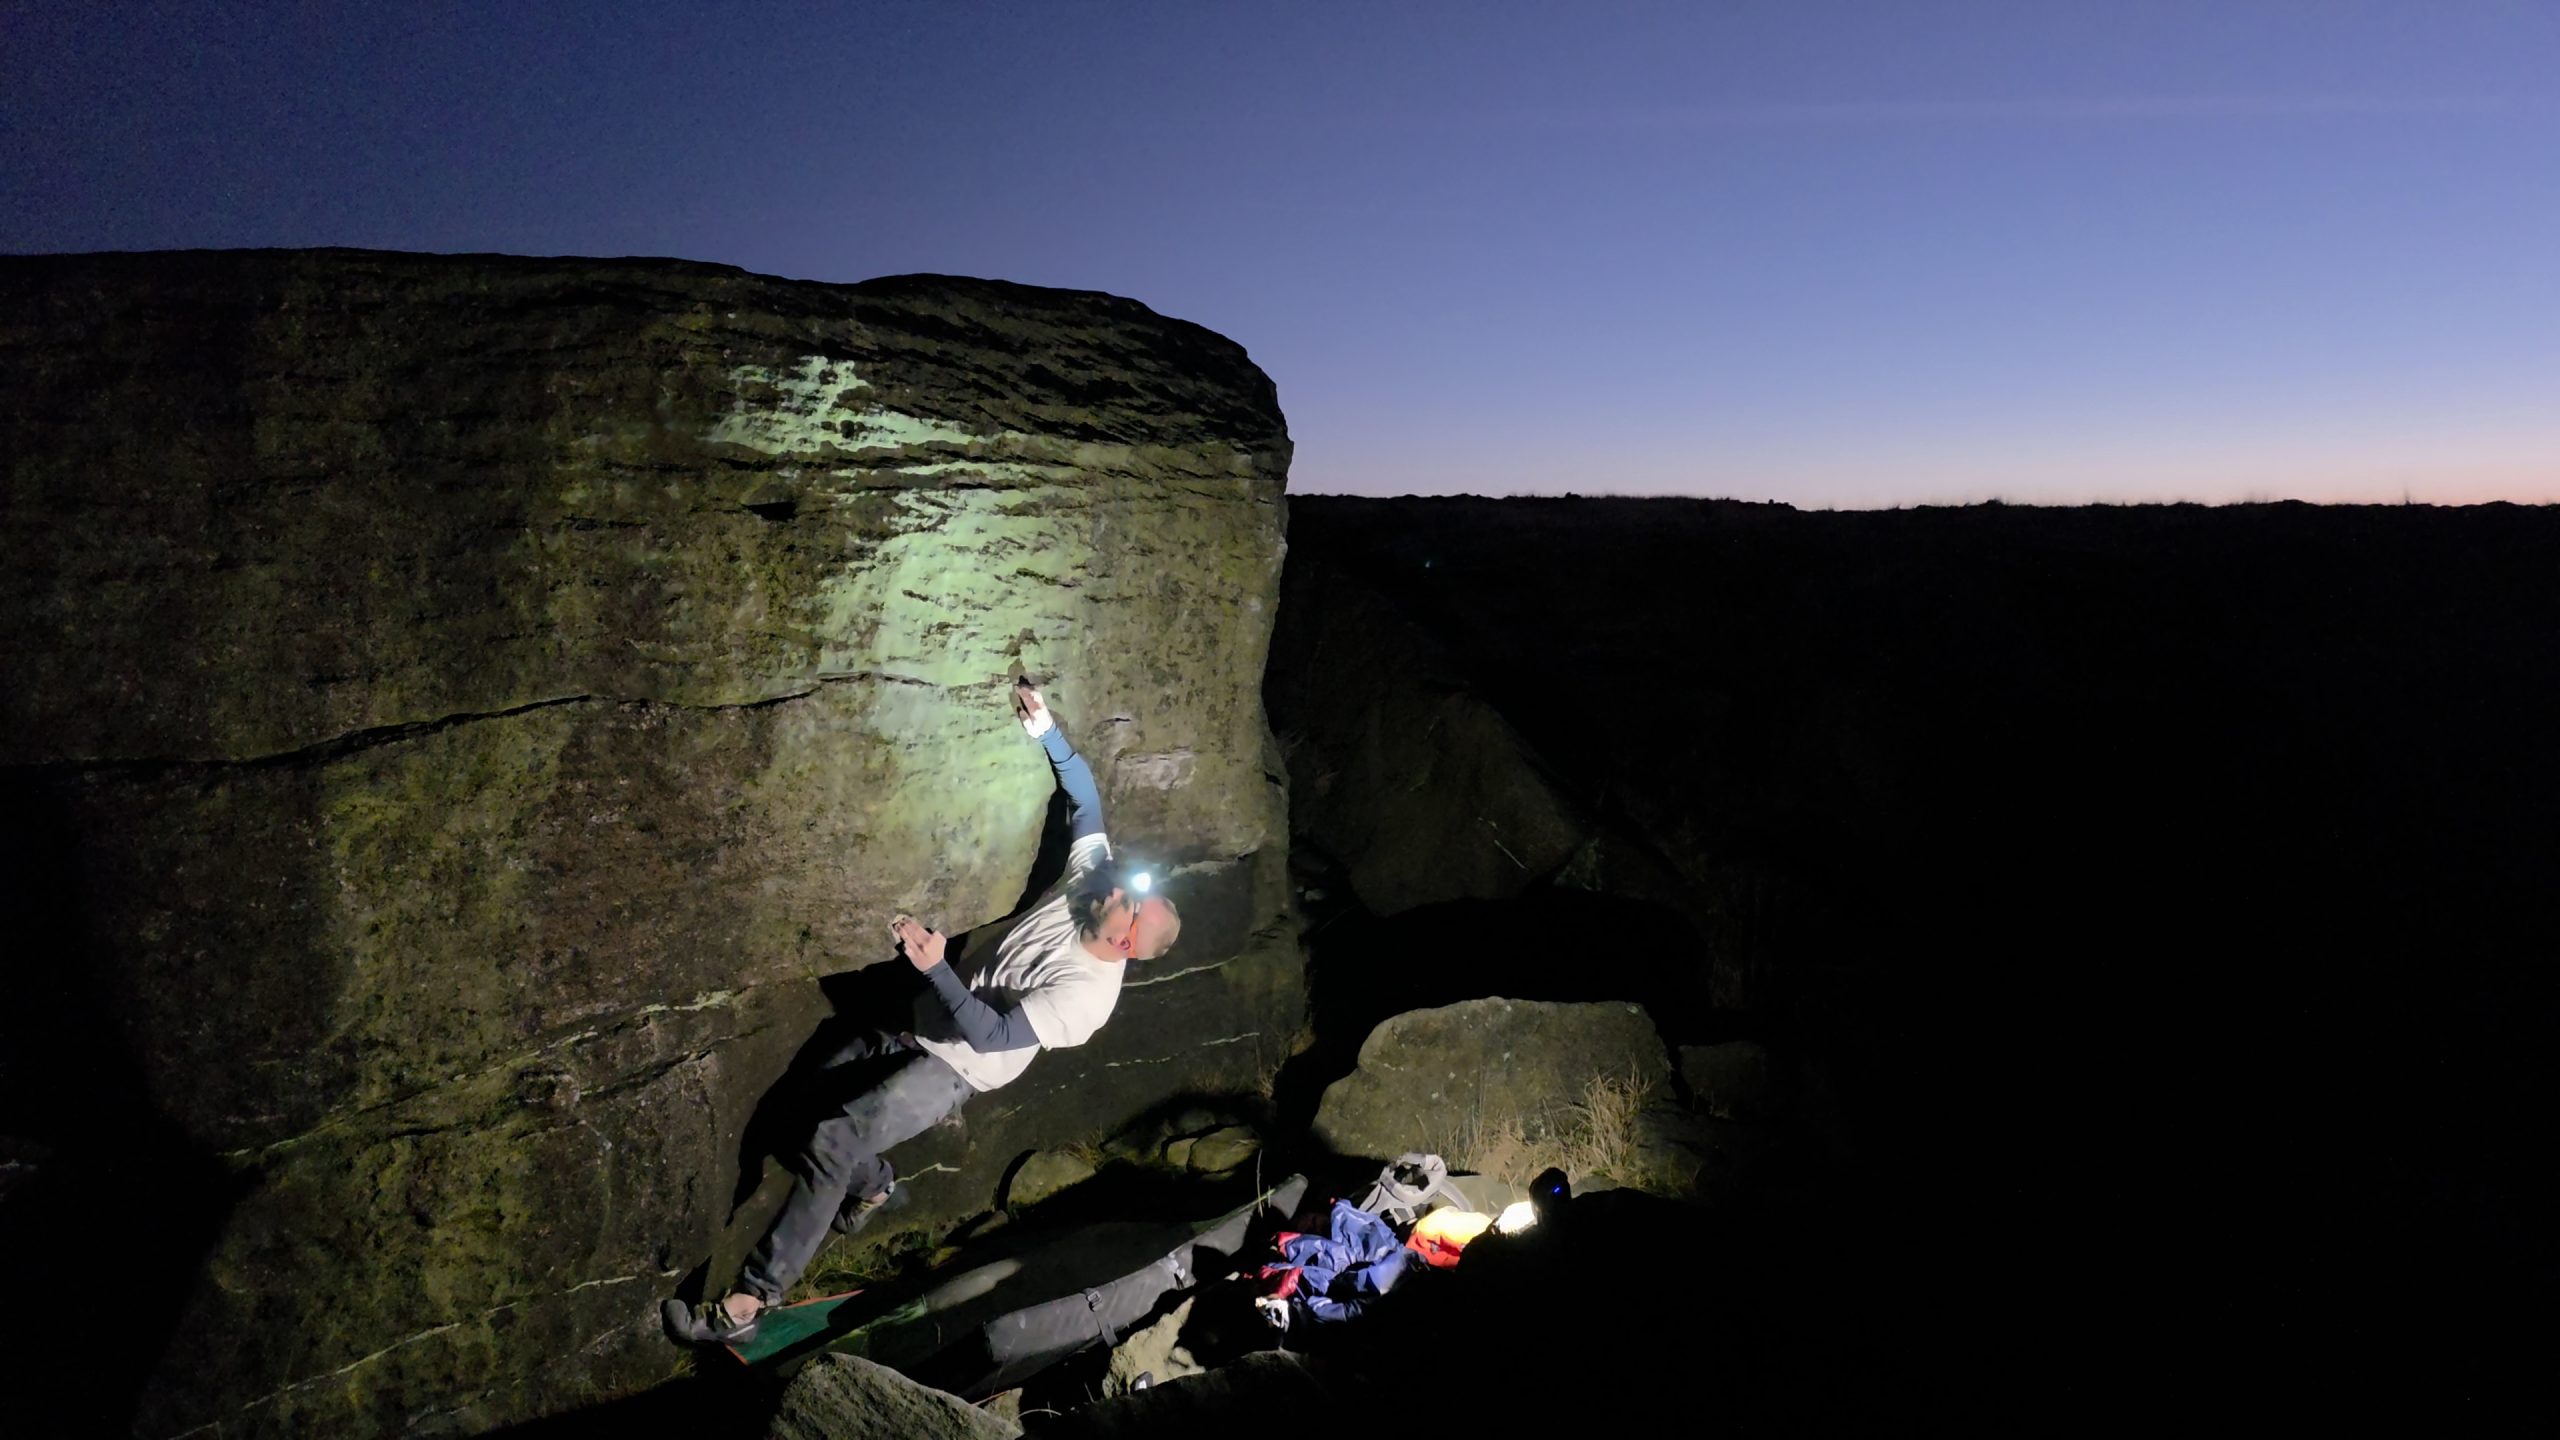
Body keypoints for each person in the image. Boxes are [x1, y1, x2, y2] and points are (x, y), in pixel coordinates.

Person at [663, 678, 1181, 1346]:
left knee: (831, 1140)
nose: (1120, 890)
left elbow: (992, 1034)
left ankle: (749, 1304)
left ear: (1125, 942)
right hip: (923, 1012)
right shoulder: (1095, 885)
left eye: (1130, 904)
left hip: (957, 1064)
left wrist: (936, 966)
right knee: (804, 1102)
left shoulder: (1088, 997)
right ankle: (873, 1186)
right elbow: (1085, 797)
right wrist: (1045, 728)